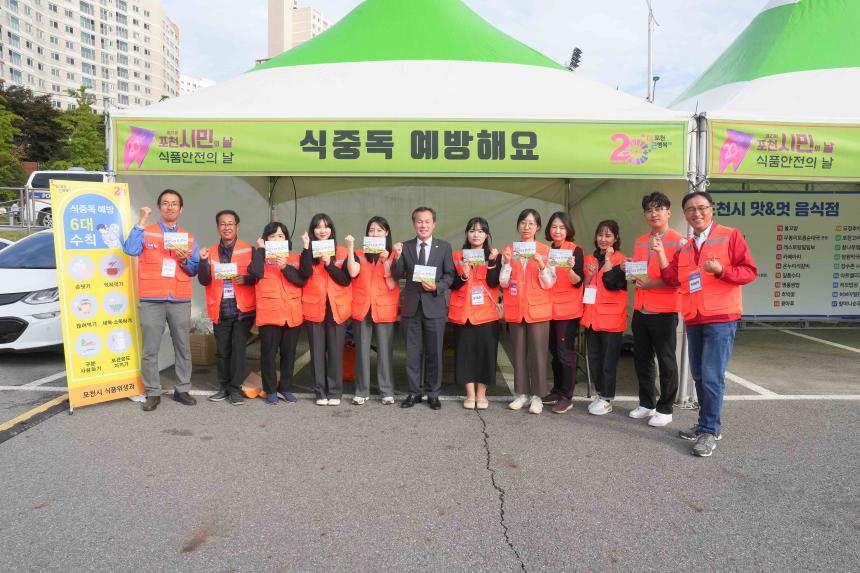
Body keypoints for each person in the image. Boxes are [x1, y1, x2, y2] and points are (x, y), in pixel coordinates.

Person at [654, 191, 757, 457]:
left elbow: (749, 272)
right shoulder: (687, 247)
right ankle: (704, 425)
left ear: (712, 209)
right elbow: (671, 278)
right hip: (695, 316)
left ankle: (711, 431)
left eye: (701, 208)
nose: (696, 213)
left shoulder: (730, 235)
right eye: (690, 209)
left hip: (721, 317)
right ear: (685, 214)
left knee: (711, 376)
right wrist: (659, 253)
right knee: (699, 375)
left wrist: (722, 271)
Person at [122, 189, 199, 411]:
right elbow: (130, 249)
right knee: (150, 349)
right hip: (151, 298)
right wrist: (141, 220)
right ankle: (153, 392)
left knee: (183, 347)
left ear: (181, 209)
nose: (170, 207)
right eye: (165, 203)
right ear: (159, 208)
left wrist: (185, 261)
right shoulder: (147, 231)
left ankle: (182, 389)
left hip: (179, 298)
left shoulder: (188, 236)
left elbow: (194, 269)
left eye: (174, 204)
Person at [626, 192, 684, 427]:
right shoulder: (640, 240)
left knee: (666, 360)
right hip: (641, 308)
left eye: (659, 209)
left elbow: (678, 278)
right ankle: (647, 403)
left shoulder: (679, 241)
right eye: (649, 210)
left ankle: (665, 408)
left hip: (665, 310)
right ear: (644, 215)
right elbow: (639, 275)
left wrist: (651, 283)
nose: (654, 213)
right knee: (642, 359)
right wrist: (630, 270)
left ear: (669, 212)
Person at [392, 206, 455, 410]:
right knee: (412, 353)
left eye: (427, 221)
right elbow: (398, 273)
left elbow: (450, 275)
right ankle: (413, 392)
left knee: (435, 352)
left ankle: (433, 393)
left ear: (434, 224)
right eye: (419, 221)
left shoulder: (444, 247)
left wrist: (438, 286)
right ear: (414, 224)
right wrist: (397, 256)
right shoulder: (406, 246)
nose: (423, 225)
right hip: (411, 307)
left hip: (434, 306)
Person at [197, 210, 257, 406]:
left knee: (238, 350)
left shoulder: (249, 249)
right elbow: (204, 280)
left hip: (242, 310)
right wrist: (204, 262)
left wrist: (246, 279)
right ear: (217, 228)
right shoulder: (210, 251)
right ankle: (223, 387)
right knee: (222, 351)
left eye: (230, 224)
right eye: (223, 224)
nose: (227, 227)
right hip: (220, 308)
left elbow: (258, 276)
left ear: (237, 227)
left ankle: (235, 388)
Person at [500, 209, 555, 415]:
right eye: (523, 223)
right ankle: (521, 393)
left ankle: (538, 396)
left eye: (531, 223)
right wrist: (505, 264)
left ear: (538, 227)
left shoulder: (545, 250)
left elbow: (549, 283)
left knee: (539, 355)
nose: (526, 227)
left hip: (538, 311)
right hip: (516, 310)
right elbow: (503, 283)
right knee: (518, 354)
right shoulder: (509, 250)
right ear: (518, 225)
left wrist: (541, 264)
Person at [248, 221, 308, 405]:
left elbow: (302, 279)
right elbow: (255, 272)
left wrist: (284, 267)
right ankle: (270, 389)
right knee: (268, 354)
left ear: (286, 239)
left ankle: (287, 388)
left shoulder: (294, 258)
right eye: (272, 236)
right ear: (265, 239)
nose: (276, 238)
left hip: (292, 314)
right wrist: (260, 250)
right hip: (269, 315)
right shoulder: (260, 258)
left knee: (289, 354)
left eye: (280, 236)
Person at [346, 216, 400, 405]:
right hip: (362, 307)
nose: (375, 233)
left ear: (386, 233)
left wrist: (386, 261)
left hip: (384, 308)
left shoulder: (394, 254)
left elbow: (393, 283)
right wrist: (351, 248)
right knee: (361, 350)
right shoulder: (360, 252)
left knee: (385, 351)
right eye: (371, 230)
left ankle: (387, 391)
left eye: (379, 230)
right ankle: (361, 391)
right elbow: (352, 272)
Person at [301, 213, 353, 406]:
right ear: (313, 231)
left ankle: (335, 392)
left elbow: (346, 279)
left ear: (332, 229)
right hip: (314, 308)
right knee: (317, 353)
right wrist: (307, 248)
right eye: (318, 227)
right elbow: (305, 273)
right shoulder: (307, 251)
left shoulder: (342, 252)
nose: (322, 230)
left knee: (335, 352)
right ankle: (320, 392)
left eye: (326, 226)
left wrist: (329, 263)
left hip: (336, 308)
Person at [449, 217, 501, 409]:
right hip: (463, 314)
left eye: (480, 231)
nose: (476, 234)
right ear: (467, 234)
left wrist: (493, 261)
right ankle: (470, 394)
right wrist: (464, 273)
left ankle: (482, 394)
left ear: (486, 234)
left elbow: (495, 283)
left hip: (487, 314)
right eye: (472, 230)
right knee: (465, 354)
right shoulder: (457, 256)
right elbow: (451, 284)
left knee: (485, 355)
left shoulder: (494, 255)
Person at [582, 220, 627, 416]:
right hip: (591, 317)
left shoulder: (621, 260)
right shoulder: (588, 258)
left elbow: (611, 283)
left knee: (608, 360)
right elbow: (583, 287)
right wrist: (589, 276)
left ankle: (607, 398)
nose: (603, 239)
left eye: (608, 235)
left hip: (611, 318)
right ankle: (600, 394)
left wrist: (608, 260)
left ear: (616, 238)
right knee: (594, 358)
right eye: (600, 234)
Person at [542, 211, 584, 414]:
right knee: (554, 353)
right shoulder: (546, 251)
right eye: (554, 227)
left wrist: (569, 269)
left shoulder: (575, 251)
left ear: (568, 229)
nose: (557, 231)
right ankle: (557, 389)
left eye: (561, 227)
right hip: (547, 308)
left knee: (564, 353)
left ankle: (567, 396)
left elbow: (578, 282)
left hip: (567, 311)